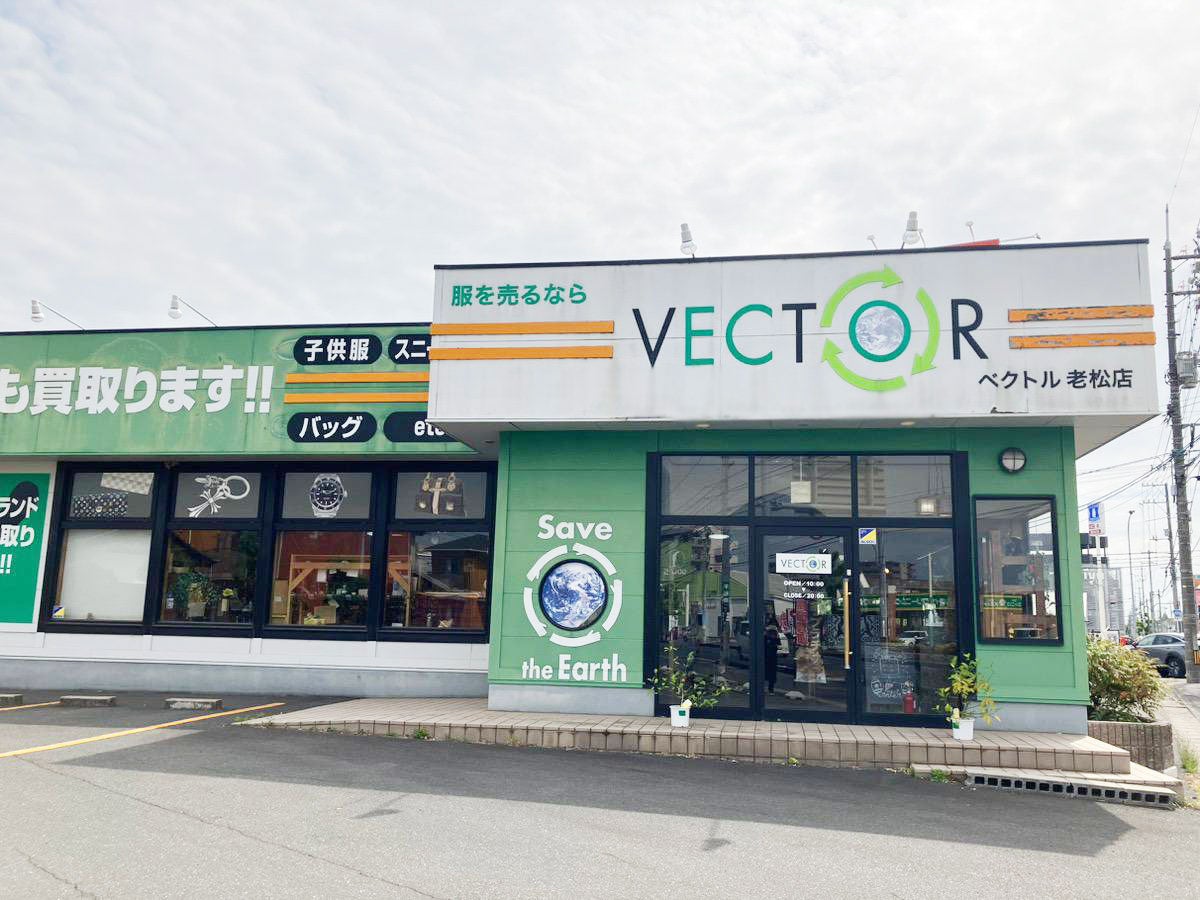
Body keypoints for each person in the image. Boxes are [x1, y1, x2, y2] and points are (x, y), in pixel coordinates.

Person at [764, 623, 781, 694]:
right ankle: (770, 689)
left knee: (770, 675)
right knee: (769, 674)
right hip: (768, 658)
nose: (772, 634)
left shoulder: (774, 638)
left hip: (770, 658)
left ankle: (770, 689)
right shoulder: (766, 638)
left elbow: (779, 646)